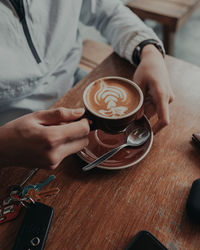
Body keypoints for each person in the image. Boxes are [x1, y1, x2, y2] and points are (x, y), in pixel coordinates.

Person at [0, 0, 174, 169]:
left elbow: (106, 11)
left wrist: (148, 49)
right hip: (12, 125)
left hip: (73, 79)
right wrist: (4, 149)